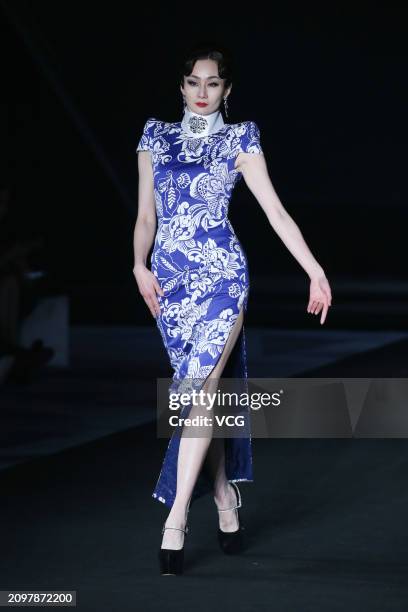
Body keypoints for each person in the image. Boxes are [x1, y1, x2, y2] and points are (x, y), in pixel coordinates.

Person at [133, 43, 332, 575]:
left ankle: (175, 518)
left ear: (227, 89)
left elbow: (276, 212)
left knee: (197, 394)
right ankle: (223, 494)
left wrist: (314, 270)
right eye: (194, 83)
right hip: (170, 285)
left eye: (213, 83)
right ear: (181, 86)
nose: (203, 93)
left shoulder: (240, 138)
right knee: (202, 398)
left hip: (223, 279)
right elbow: (146, 217)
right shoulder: (155, 135)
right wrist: (138, 265)